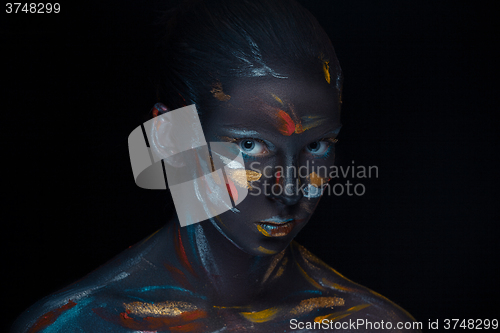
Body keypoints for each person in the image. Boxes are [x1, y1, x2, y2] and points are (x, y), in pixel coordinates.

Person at [12, 0, 421, 332]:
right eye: (250, 145)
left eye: (317, 145)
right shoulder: (76, 326)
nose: (291, 190)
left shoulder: (370, 324)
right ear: (172, 138)